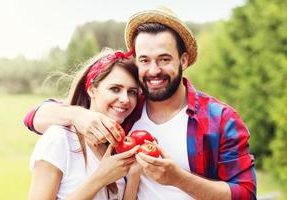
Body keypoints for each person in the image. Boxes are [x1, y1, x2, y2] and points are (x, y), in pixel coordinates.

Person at [24, 7, 257, 200]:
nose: (154, 70)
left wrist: (178, 178)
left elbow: (245, 193)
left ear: (183, 60)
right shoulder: (125, 112)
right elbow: (33, 117)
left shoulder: (220, 119)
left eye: (164, 59)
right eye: (145, 60)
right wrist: (78, 116)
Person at [28, 48, 142, 200]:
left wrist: (134, 175)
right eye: (115, 89)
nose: (125, 99)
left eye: (132, 92)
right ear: (92, 90)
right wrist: (100, 178)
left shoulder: (116, 145)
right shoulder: (60, 139)